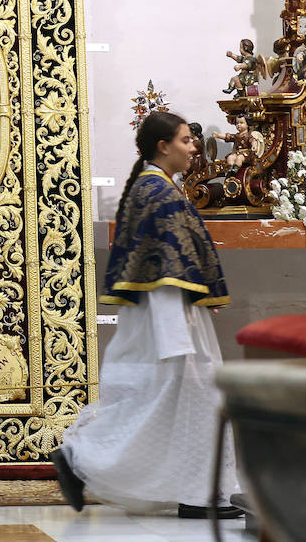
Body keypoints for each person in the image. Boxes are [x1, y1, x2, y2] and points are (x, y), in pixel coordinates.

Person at [53, 112, 240, 518]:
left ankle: (198, 493)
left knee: (176, 403)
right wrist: (177, 335)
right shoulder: (157, 192)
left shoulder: (157, 187)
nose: (194, 148)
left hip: (172, 314)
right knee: (180, 401)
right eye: (187, 140)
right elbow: (167, 267)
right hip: (171, 317)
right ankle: (81, 458)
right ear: (163, 146)